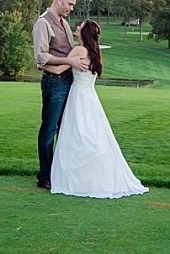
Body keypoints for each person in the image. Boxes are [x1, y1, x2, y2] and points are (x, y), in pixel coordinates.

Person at [50, 20, 148, 199]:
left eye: (80, 26)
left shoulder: (79, 51)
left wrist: (42, 64)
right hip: (90, 97)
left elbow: (58, 70)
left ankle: (79, 179)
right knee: (91, 134)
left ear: (84, 32)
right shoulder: (95, 53)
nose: (77, 28)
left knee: (78, 134)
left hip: (79, 96)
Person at [32, 0, 88, 190]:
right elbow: (40, 57)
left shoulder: (64, 23)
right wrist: (69, 61)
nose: (72, 8)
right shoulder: (43, 23)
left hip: (68, 81)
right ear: (59, 1)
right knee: (49, 130)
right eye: (70, 4)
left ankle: (60, 173)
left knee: (65, 129)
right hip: (53, 83)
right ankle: (45, 176)